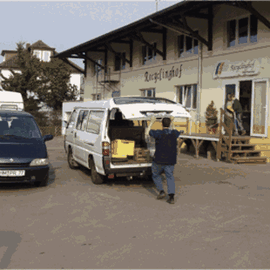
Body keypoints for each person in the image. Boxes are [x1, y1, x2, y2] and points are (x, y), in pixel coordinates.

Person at [145, 115, 183, 204]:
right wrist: (172, 121)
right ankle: (171, 197)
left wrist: (152, 121)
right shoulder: (174, 133)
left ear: (161, 124)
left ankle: (161, 191)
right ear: (170, 124)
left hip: (159, 160)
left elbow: (147, 132)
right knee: (170, 177)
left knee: (155, 175)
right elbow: (174, 129)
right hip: (170, 160)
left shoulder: (158, 133)